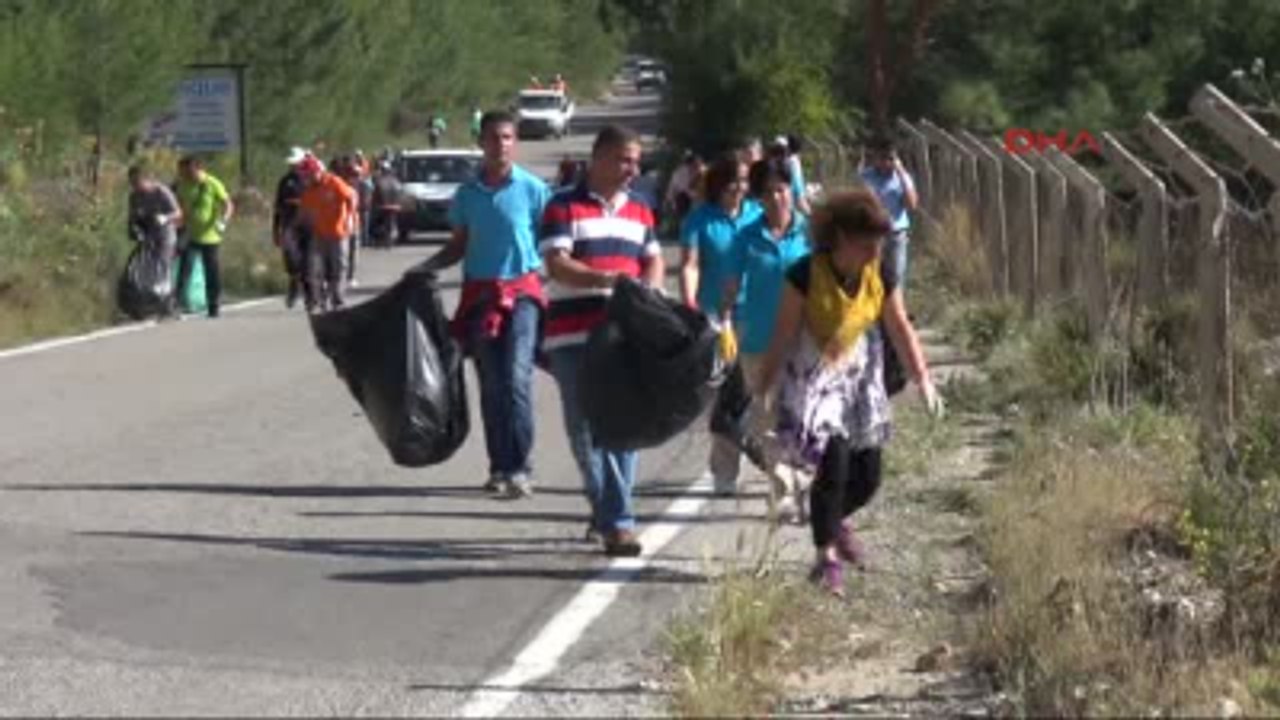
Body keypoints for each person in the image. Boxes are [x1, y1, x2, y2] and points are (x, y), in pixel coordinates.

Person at [752, 189, 944, 597]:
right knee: (833, 468)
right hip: (815, 379)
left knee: (868, 476)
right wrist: (764, 386)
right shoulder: (804, 274)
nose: (874, 253)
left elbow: (898, 327)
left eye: (879, 245)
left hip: (860, 376)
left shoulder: (880, 273)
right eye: (865, 245)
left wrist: (923, 378)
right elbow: (783, 334)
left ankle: (831, 522)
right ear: (839, 237)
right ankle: (826, 560)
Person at [540, 125, 664, 557]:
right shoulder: (563, 206)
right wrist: (609, 280)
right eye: (624, 159)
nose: (632, 168)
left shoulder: (641, 210)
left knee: (622, 427)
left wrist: (644, 291)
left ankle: (618, 521)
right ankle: (606, 505)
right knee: (584, 427)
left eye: (636, 161)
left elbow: (653, 261)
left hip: (623, 336)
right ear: (599, 158)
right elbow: (558, 265)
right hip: (572, 336)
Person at [416, 110, 551, 500]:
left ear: (515, 142)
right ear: (481, 142)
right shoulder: (468, 194)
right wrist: (424, 268)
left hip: (522, 295)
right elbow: (459, 245)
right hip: (479, 297)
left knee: (517, 379)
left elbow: (552, 240)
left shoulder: (531, 189)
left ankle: (521, 467)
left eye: (507, 137)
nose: (500, 144)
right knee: (491, 384)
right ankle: (500, 467)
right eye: (493, 137)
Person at [710, 158, 811, 507]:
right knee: (768, 418)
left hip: (804, 340)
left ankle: (797, 479)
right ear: (758, 197)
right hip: (758, 342)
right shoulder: (746, 238)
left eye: (781, 190)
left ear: (791, 191)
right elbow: (730, 286)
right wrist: (722, 323)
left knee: (802, 415)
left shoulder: (810, 234)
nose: (775, 199)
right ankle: (783, 487)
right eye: (766, 193)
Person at [296, 154, 358, 312]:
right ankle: (319, 298)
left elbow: (351, 196)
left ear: (317, 171)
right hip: (318, 235)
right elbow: (303, 212)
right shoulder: (308, 191)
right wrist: (297, 229)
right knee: (315, 268)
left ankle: (338, 298)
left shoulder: (334, 182)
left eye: (309, 175)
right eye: (304, 176)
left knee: (338, 267)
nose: (306, 178)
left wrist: (350, 217)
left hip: (338, 233)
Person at [174, 155, 234, 318]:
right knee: (184, 270)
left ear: (197, 168)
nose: (183, 174)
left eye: (186, 171)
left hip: (211, 237)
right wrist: (176, 224)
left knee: (211, 272)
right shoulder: (183, 185)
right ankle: (176, 305)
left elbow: (228, 204)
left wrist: (223, 221)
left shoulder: (213, 183)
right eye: (182, 171)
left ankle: (213, 305)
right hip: (190, 234)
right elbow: (181, 208)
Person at [858, 136, 919, 292]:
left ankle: (895, 312)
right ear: (876, 157)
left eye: (890, 158)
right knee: (872, 275)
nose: (887, 162)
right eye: (883, 157)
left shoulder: (903, 178)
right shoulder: (866, 177)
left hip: (896, 233)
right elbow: (866, 203)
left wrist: (901, 173)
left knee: (896, 276)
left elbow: (912, 204)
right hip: (874, 233)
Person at [272, 147, 313, 309]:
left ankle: (311, 296)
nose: (293, 166)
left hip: (308, 225)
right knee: (291, 259)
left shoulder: (310, 180)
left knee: (309, 261)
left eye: (296, 163)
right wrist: (275, 230)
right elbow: (278, 207)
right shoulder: (285, 181)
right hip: (289, 224)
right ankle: (294, 290)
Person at [664, 151, 704, 226]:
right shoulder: (680, 173)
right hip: (681, 198)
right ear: (689, 165)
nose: (696, 168)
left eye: (698, 165)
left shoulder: (701, 171)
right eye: (694, 166)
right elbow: (683, 189)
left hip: (695, 200)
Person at [370, 160, 403, 248]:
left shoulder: (379, 181)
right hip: (394, 207)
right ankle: (389, 240)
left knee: (379, 223)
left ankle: (382, 240)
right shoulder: (396, 181)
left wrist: (373, 205)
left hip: (382, 206)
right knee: (391, 223)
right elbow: (400, 194)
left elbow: (375, 195)